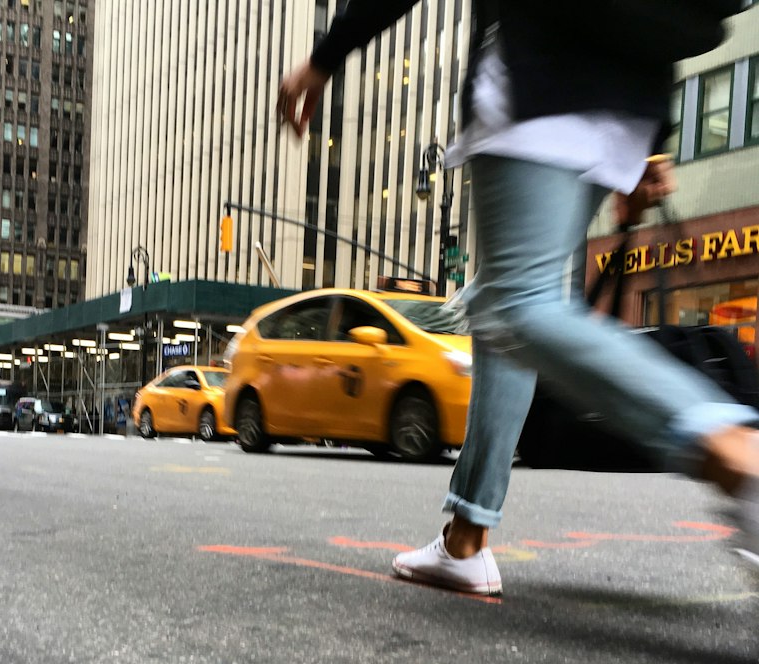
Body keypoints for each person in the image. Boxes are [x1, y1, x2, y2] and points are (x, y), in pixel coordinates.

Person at [278, 0, 757, 596]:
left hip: (540, 67)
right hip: (630, 92)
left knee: (516, 306)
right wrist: (653, 146)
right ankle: (466, 537)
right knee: (504, 301)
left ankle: (736, 453)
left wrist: (326, 56)